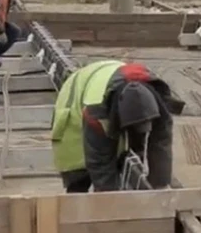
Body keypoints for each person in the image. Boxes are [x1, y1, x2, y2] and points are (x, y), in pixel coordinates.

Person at [50, 60, 185, 193]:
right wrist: (112, 201)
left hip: (110, 81)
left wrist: (159, 186)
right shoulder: (97, 111)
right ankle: (76, 205)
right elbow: (100, 163)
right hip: (76, 101)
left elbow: (161, 142)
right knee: (80, 173)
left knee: (125, 160)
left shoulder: (159, 102)